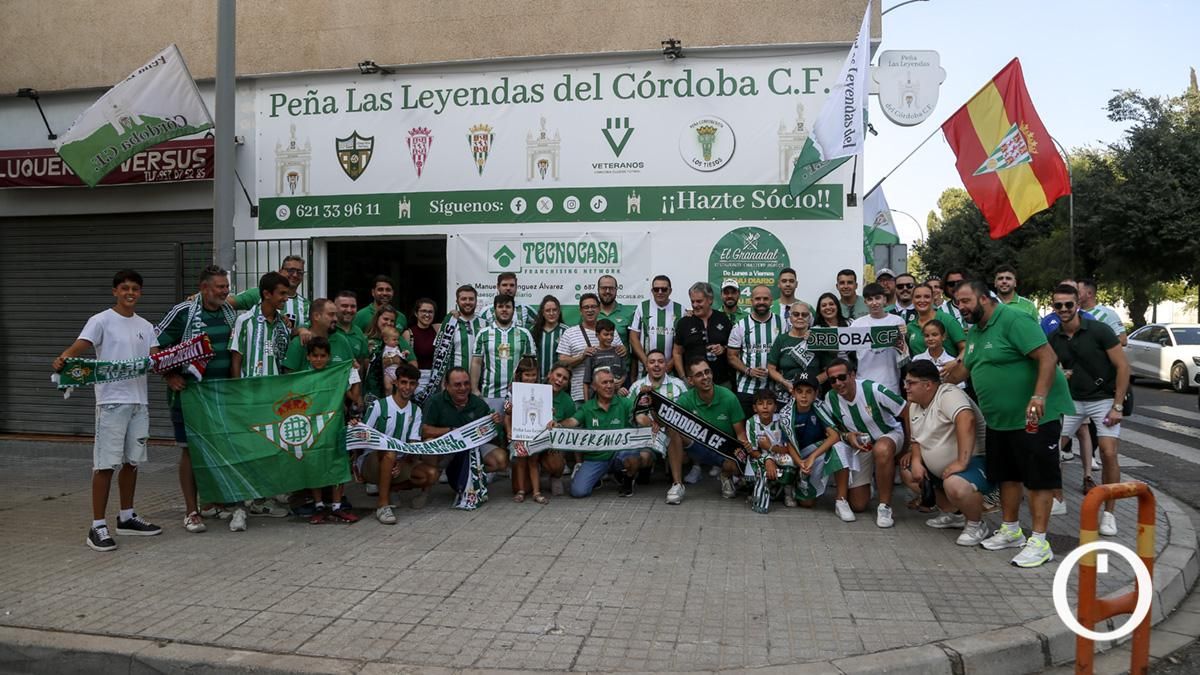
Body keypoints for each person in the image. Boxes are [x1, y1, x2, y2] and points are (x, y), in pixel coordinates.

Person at [942, 280, 1074, 569]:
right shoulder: (976, 332)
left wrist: (1038, 396)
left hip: (1035, 417)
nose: (961, 307)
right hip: (1000, 421)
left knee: (1038, 478)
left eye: (966, 301)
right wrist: (933, 378)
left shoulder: (1014, 319)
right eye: (958, 303)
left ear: (984, 298)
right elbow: (965, 369)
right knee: (1007, 476)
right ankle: (1011, 530)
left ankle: (1040, 542)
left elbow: (1048, 357)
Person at [54, 269, 161, 551]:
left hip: (139, 402)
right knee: (104, 464)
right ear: (115, 291)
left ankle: (126, 517)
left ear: (140, 292)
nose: (130, 293)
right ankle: (97, 526)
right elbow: (82, 345)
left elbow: (155, 359)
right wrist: (65, 358)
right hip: (111, 402)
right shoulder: (101, 320)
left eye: (135, 289)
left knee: (132, 462)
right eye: (125, 288)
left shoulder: (146, 326)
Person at [154, 264, 237, 534]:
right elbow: (153, 345)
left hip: (219, 395)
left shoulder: (228, 312)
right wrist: (169, 376)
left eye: (226, 287)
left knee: (216, 448)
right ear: (204, 288)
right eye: (220, 287)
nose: (225, 292)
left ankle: (212, 502)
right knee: (190, 450)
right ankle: (191, 511)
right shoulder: (184, 311)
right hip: (189, 395)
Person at [1047, 283, 1129, 536]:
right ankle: (1058, 499)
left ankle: (1109, 514)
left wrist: (1117, 406)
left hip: (1103, 398)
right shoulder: (1054, 337)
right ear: (1053, 307)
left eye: (1068, 304)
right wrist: (1060, 375)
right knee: (1051, 450)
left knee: (1108, 452)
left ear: (1077, 304)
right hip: (1071, 401)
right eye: (1058, 305)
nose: (1063, 309)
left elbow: (1123, 367)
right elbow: (1049, 368)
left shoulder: (1099, 330)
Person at [901, 360, 993, 546]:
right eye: (905, 382)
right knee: (908, 470)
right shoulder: (914, 405)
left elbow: (966, 419)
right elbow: (916, 439)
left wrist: (961, 461)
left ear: (928, 385)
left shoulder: (948, 394)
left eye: (911, 383)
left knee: (955, 485)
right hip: (943, 468)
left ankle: (976, 524)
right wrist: (917, 461)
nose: (905, 387)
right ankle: (954, 514)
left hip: (976, 461)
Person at [823, 358, 907, 528]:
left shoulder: (873, 390)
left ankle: (884, 506)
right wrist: (847, 436)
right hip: (863, 446)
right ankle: (873, 484)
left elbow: (907, 411)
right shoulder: (830, 399)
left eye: (842, 377)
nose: (838, 383)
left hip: (889, 435)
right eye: (833, 380)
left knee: (881, 449)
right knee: (858, 505)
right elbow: (833, 430)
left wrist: (909, 448)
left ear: (853, 375)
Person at [358, 362, 439, 522]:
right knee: (389, 452)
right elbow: (363, 436)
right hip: (373, 461)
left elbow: (413, 444)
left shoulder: (416, 410)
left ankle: (390, 489)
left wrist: (403, 463)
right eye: (403, 382)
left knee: (431, 474)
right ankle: (382, 506)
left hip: (400, 462)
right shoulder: (379, 406)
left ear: (416, 385)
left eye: (412, 383)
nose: (407, 387)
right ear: (395, 382)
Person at [664, 358, 751, 505]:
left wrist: (745, 451)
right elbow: (666, 422)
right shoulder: (685, 399)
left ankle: (726, 476)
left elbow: (740, 434)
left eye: (707, 372)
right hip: (696, 447)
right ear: (690, 381)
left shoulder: (729, 397)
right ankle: (677, 484)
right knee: (673, 429)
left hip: (722, 450)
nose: (705, 377)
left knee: (737, 464)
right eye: (699, 375)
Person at [559, 367, 652, 498]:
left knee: (635, 455)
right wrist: (558, 425)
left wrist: (644, 420)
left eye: (611, 382)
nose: (609, 386)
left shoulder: (625, 402)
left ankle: (627, 479)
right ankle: (598, 477)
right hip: (596, 457)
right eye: (604, 383)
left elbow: (640, 417)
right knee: (578, 492)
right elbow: (572, 421)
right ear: (594, 386)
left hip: (619, 454)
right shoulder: (587, 407)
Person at [421, 367, 509, 500]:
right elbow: (425, 430)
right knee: (429, 444)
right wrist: (451, 430)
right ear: (447, 386)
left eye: (466, 383)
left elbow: (491, 436)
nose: (463, 388)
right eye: (457, 384)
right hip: (446, 447)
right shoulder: (435, 401)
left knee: (500, 460)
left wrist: (495, 423)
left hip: (471, 448)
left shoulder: (478, 404)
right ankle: (426, 491)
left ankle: (470, 480)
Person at [302, 337, 362, 524]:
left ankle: (336, 506)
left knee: (338, 463)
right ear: (308, 357)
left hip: (335, 426)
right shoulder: (302, 378)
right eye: (315, 356)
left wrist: (354, 372)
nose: (319, 359)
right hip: (312, 428)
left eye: (323, 356)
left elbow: (354, 396)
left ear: (328, 357)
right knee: (314, 464)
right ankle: (319, 505)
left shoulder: (336, 374)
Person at [788, 372, 854, 520]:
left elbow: (834, 435)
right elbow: (789, 444)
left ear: (816, 394)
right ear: (793, 393)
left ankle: (841, 501)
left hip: (818, 454)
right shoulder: (786, 414)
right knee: (807, 503)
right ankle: (796, 482)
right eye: (799, 391)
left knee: (840, 447)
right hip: (799, 458)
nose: (804, 396)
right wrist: (800, 463)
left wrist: (812, 457)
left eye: (809, 392)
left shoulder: (819, 408)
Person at [727, 285, 785, 417]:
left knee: (773, 427)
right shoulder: (741, 325)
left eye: (765, 299)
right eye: (758, 299)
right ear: (751, 301)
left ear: (771, 301)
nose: (761, 302)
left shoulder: (782, 323)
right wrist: (748, 370)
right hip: (747, 389)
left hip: (775, 389)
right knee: (747, 426)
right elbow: (731, 356)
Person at [471, 294, 535, 412]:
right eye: (500, 306)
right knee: (492, 423)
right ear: (494, 310)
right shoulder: (483, 333)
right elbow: (476, 363)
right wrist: (474, 389)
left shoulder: (524, 333)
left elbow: (531, 365)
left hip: (519, 393)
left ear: (513, 310)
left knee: (515, 424)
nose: (504, 310)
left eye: (508, 307)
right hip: (490, 394)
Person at [557, 293, 625, 404]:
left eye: (593, 307)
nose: (590, 310)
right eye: (586, 307)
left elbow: (620, 356)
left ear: (599, 309)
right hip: (580, 394)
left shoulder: (610, 331)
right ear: (580, 311)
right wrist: (581, 357)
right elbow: (562, 362)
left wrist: (623, 350)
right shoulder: (570, 333)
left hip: (609, 393)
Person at [230, 272, 293, 381]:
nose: (286, 298)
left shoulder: (283, 323)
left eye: (287, 294)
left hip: (277, 389)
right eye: (282, 293)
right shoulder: (244, 321)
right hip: (250, 388)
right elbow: (236, 361)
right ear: (267, 294)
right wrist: (238, 388)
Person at [745, 390, 800, 510]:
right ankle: (755, 489)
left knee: (791, 461)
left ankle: (788, 492)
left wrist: (770, 447)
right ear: (754, 408)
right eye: (760, 404)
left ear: (775, 407)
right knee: (750, 464)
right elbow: (752, 450)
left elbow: (789, 448)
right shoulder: (751, 422)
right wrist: (768, 459)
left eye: (769, 403)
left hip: (779, 454)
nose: (765, 407)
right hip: (760, 456)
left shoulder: (782, 420)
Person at [505, 358, 551, 503]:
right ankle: (521, 491)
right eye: (527, 375)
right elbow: (507, 414)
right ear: (520, 374)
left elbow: (546, 411)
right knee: (521, 461)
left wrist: (550, 412)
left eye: (533, 375)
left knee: (533, 461)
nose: (530, 378)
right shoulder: (512, 391)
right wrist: (509, 429)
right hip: (519, 432)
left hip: (535, 433)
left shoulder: (542, 391)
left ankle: (537, 492)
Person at [673, 282, 734, 388]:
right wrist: (683, 378)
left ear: (710, 300)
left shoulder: (723, 319)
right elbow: (677, 353)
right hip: (694, 385)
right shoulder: (684, 322)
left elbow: (734, 348)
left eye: (699, 301)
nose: (695, 305)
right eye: (692, 301)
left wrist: (723, 348)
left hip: (722, 383)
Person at [851, 282, 908, 394]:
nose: (874, 303)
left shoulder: (897, 321)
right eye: (870, 299)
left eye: (878, 298)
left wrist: (904, 336)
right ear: (865, 302)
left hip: (890, 381)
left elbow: (903, 353)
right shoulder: (857, 324)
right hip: (863, 381)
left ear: (884, 300)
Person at [230, 255, 310, 330]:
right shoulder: (260, 293)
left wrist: (299, 331)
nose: (295, 275)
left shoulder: (306, 306)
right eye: (290, 270)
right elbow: (227, 303)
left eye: (300, 272)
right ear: (280, 271)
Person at [282, 298, 359, 376]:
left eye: (336, 315)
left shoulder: (341, 340)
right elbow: (288, 378)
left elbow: (353, 372)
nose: (336, 319)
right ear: (316, 316)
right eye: (331, 314)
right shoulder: (300, 342)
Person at [629, 275, 684, 379]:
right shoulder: (642, 307)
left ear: (670, 291)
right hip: (645, 371)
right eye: (656, 289)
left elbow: (683, 343)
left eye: (664, 289)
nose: (660, 292)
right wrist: (646, 362)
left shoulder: (680, 310)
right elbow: (633, 337)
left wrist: (670, 364)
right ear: (652, 291)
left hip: (671, 371)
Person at [767, 301, 820, 396]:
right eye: (796, 314)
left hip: (812, 393)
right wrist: (784, 382)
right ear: (790, 317)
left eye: (804, 315)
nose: (800, 317)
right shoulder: (781, 339)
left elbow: (828, 369)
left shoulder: (817, 338)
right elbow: (771, 368)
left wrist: (812, 384)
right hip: (785, 392)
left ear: (809, 318)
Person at [907, 283, 966, 358]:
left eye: (927, 297)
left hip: (948, 365)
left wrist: (955, 362)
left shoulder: (947, 320)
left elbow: (965, 348)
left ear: (932, 299)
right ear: (912, 300)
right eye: (918, 297)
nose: (922, 300)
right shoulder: (910, 327)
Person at [363, 305, 402, 405]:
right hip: (373, 389)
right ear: (377, 319)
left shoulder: (398, 340)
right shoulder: (366, 340)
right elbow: (366, 367)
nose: (389, 323)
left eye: (392, 321)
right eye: (385, 319)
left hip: (394, 389)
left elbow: (410, 363)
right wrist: (392, 360)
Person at [581, 319, 627, 400]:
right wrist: (587, 403)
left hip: (616, 399)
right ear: (597, 335)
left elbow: (624, 373)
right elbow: (586, 382)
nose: (609, 337)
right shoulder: (592, 354)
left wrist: (621, 381)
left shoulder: (619, 352)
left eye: (612, 335)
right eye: (606, 334)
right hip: (596, 399)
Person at [911, 320, 964, 389]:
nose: (930, 338)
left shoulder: (952, 362)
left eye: (934, 335)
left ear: (943, 337)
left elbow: (959, 388)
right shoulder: (917, 360)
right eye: (926, 336)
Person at [445, 284, 487, 371]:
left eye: (471, 299)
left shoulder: (486, 324)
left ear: (476, 301)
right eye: (463, 299)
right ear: (457, 301)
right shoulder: (449, 323)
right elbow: (441, 353)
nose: (467, 302)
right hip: (455, 377)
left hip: (480, 377)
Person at [403, 298, 440, 390]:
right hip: (417, 379)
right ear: (416, 313)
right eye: (423, 311)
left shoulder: (437, 329)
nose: (427, 314)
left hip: (436, 378)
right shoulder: (408, 333)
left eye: (430, 312)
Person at [1078, 279, 1127, 347]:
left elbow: (1123, 340)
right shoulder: (1072, 313)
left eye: (1077, 292)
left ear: (1089, 293)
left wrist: (1096, 341)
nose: (1074, 295)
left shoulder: (1108, 314)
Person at [530, 295, 567, 382]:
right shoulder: (533, 331)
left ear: (559, 312)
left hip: (558, 382)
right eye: (547, 310)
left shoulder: (566, 331)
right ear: (542, 313)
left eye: (554, 310)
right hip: (537, 381)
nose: (551, 313)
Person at [596, 274, 636, 351]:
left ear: (616, 290)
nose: (607, 291)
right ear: (598, 289)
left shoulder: (629, 313)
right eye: (604, 288)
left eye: (611, 288)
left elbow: (635, 342)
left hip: (622, 358)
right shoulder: (591, 313)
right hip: (597, 358)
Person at [333, 290, 369, 371]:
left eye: (353, 306)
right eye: (344, 306)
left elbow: (362, 362)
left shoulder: (358, 332)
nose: (349, 310)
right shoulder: (328, 329)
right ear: (335, 308)